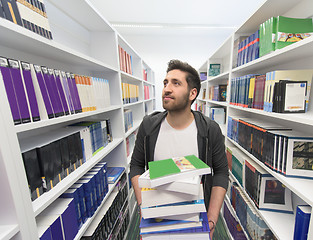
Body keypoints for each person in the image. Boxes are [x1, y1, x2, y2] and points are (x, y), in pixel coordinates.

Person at [129, 59, 229, 238]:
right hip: (157, 221)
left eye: (176, 83)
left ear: (192, 93)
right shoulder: (148, 126)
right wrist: (144, 206)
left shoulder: (209, 130)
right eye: (165, 83)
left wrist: (212, 218)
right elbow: (136, 166)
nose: (167, 88)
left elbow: (221, 172)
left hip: (195, 220)